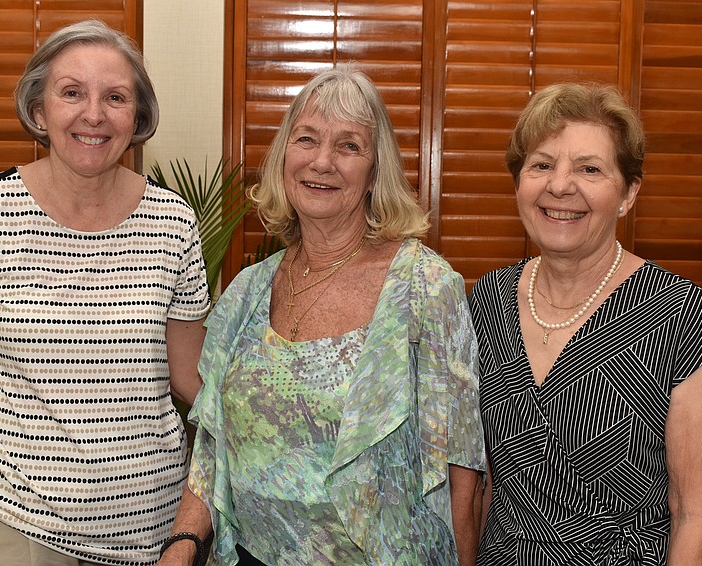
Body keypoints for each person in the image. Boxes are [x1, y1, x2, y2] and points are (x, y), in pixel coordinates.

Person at [156, 65, 486, 566]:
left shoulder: (424, 287)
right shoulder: (246, 293)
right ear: (284, 156)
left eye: (349, 146)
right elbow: (212, 448)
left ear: (376, 172)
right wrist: (182, 545)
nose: (322, 161)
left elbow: (461, 471)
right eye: (306, 139)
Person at [0, 19, 210, 566]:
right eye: (72, 92)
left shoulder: (174, 222)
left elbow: (188, 377)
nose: (94, 114)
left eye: (115, 97)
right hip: (9, 519)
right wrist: (33, 467)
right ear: (39, 111)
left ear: (137, 118)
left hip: (146, 523)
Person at [467, 82, 702, 565]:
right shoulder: (487, 300)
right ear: (519, 182)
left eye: (589, 168)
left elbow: (695, 516)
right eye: (541, 165)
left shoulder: (680, 318)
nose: (560, 186)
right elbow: (481, 483)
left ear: (629, 193)